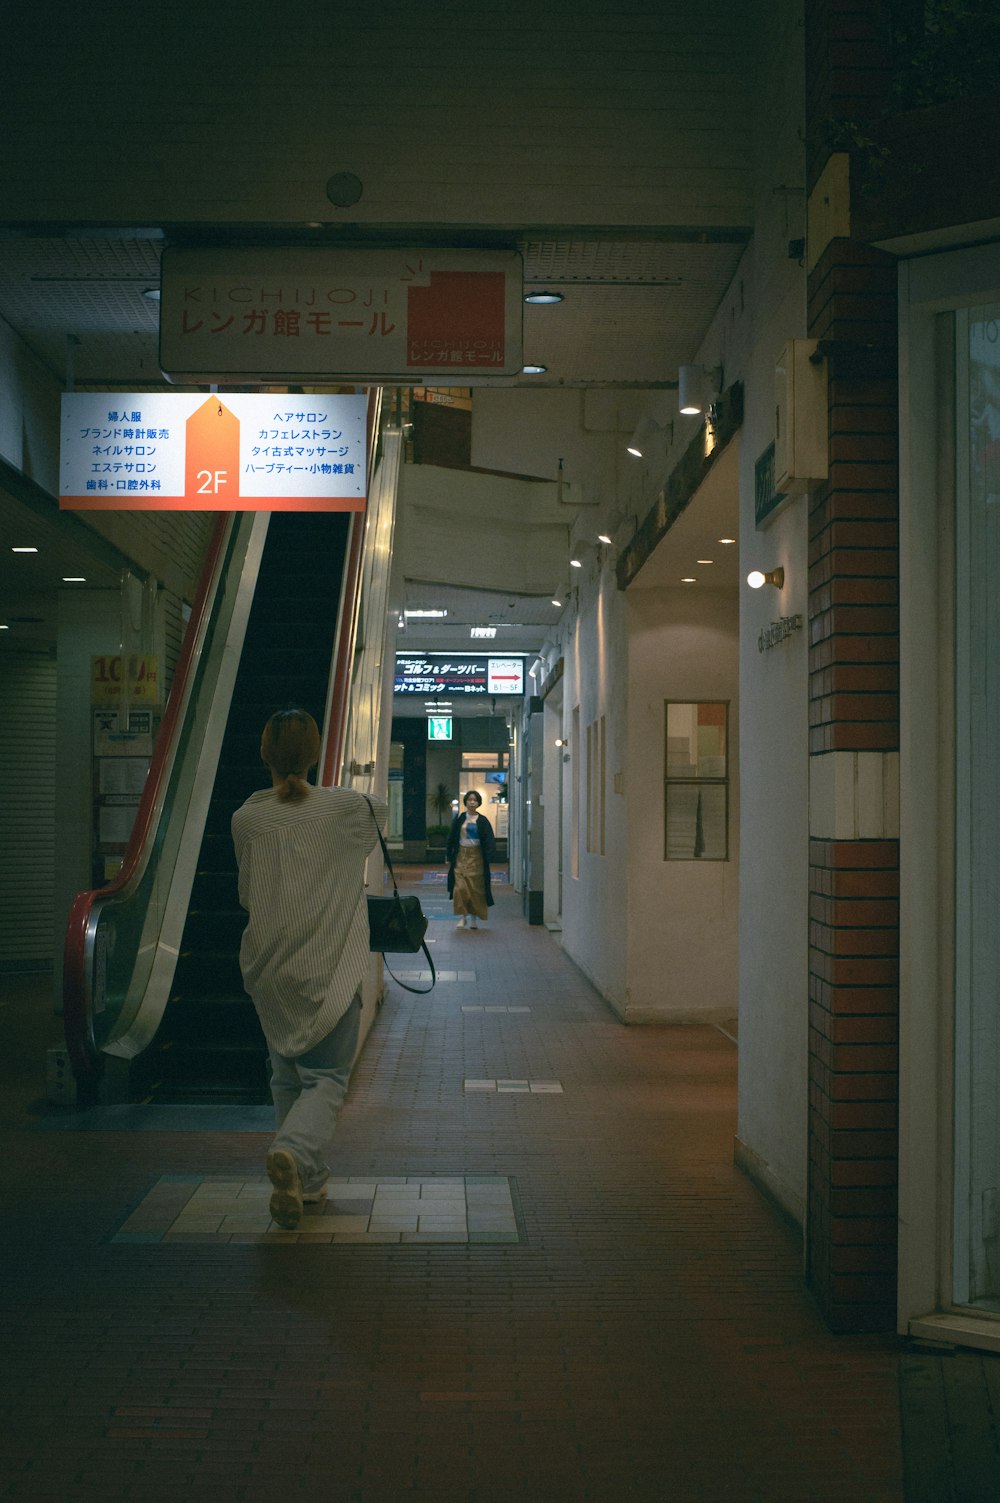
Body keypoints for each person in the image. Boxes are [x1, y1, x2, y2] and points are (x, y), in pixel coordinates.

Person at [231, 709, 387, 1231]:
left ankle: (306, 1182)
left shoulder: (247, 817)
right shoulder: (346, 809)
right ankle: (294, 1153)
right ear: (317, 754)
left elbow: (246, 890)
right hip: (329, 967)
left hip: (270, 968)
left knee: (286, 1079)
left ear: (262, 754)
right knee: (326, 1079)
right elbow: (379, 811)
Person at [446, 789, 496, 930]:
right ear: (466, 802)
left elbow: (489, 840)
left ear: (478, 802)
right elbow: (452, 837)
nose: (472, 802)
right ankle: (463, 917)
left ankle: (474, 917)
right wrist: (449, 854)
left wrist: (490, 855)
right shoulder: (460, 819)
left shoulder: (483, 821)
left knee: (476, 889)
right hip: (461, 856)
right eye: (469, 800)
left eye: (474, 800)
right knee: (460, 887)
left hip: (477, 857)